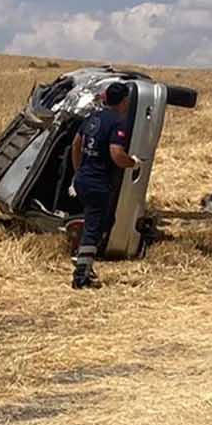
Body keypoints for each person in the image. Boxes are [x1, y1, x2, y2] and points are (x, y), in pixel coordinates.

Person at [70, 81, 141, 289]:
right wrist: (133, 163)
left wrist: (78, 172)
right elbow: (116, 154)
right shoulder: (118, 122)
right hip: (98, 182)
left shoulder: (92, 118)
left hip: (84, 179)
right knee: (96, 226)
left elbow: (76, 144)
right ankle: (81, 276)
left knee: (99, 221)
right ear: (124, 101)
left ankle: (85, 260)